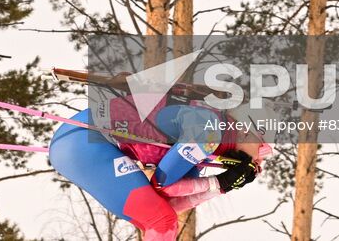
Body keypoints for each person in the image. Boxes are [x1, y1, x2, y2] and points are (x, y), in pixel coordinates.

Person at [48, 93, 271, 241]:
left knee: (159, 217)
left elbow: (170, 201)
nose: (260, 160)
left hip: (84, 142)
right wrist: (219, 183)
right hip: (82, 140)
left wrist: (221, 187)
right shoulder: (208, 132)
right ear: (246, 129)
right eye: (263, 149)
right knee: (162, 222)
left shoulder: (210, 141)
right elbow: (163, 184)